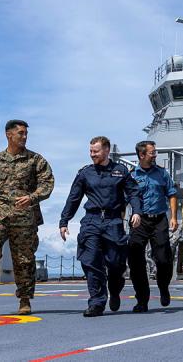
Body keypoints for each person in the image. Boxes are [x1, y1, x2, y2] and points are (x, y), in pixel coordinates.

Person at [0, 119, 54, 316]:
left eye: (26, 133)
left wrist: (32, 198)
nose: (24, 136)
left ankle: (24, 300)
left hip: (24, 216)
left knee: (24, 259)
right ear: (9, 134)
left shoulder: (35, 160)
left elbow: (47, 184)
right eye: (21, 133)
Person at [58, 136, 139, 317]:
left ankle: (115, 288)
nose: (92, 154)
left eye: (95, 151)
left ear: (106, 150)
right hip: (92, 221)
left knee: (116, 263)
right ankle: (97, 302)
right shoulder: (85, 173)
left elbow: (133, 193)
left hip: (113, 221)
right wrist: (64, 221)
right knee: (91, 262)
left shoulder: (120, 171)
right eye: (91, 151)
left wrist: (137, 211)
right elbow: (73, 198)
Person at [128, 140, 178, 312]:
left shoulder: (162, 173)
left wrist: (173, 217)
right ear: (142, 155)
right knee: (135, 261)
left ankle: (163, 287)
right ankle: (142, 300)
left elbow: (172, 194)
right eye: (152, 153)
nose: (155, 155)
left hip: (159, 220)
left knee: (163, 259)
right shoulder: (132, 175)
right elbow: (124, 199)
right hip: (139, 221)